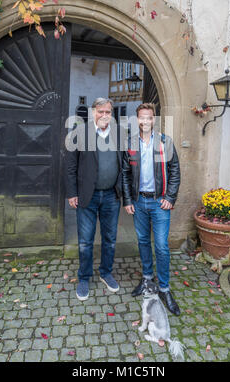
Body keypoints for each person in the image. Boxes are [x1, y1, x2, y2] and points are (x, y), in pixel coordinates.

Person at [122, 103, 181, 315]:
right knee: (144, 242)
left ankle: (164, 288)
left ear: (153, 120)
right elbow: (125, 174)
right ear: (136, 120)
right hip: (139, 202)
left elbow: (174, 171)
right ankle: (147, 279)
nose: (145, 121)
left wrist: (170, 197)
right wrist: (128, 200)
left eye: (149, 118)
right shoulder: (130, 143)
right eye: (141, 118)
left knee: (162, 246)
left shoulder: (164, 142)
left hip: (159, 203)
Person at [66, 98, 123, 301]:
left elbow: (124, 164)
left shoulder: (119, 134)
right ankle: (84, 277)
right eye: (101, 111)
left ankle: (106, 273)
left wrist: (124, 194)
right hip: (86, 196)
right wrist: (72, 193)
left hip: (111, 196)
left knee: (110, 239)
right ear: (93, 113)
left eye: (108, 111)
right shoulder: (79, 134)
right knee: (85, 241)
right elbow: (71, 166)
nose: (105, 115)